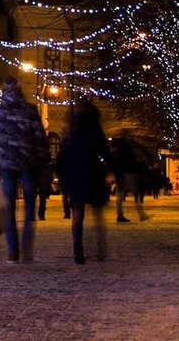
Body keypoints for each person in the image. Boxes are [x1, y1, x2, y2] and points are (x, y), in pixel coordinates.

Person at [0, 75, 49, 263]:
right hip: (27, 163)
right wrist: (43, 161)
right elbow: (40, 138)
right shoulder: (29, 110)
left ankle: (13, 250)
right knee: (30, 206)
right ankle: (27, 246)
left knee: (9, 207)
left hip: (6, 164)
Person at [58, 99, 111, 264]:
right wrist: (109, 171)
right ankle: (100, 251)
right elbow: (105, 152)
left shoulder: (71, 132)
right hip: (94, 173)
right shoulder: (96, 130)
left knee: (78, 213)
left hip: (77, 174)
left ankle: (78, 252)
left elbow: (63, 156)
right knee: (98, 215)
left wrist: (63, 177)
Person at [111, 132, 148, 223]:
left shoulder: (118, 150)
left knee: (119, 194)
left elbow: (115, 162)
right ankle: (141, 214)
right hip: (129, 172)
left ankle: (120, 215)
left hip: (120, 173)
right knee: (135, 193)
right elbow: (131, 160)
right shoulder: (128, 149)